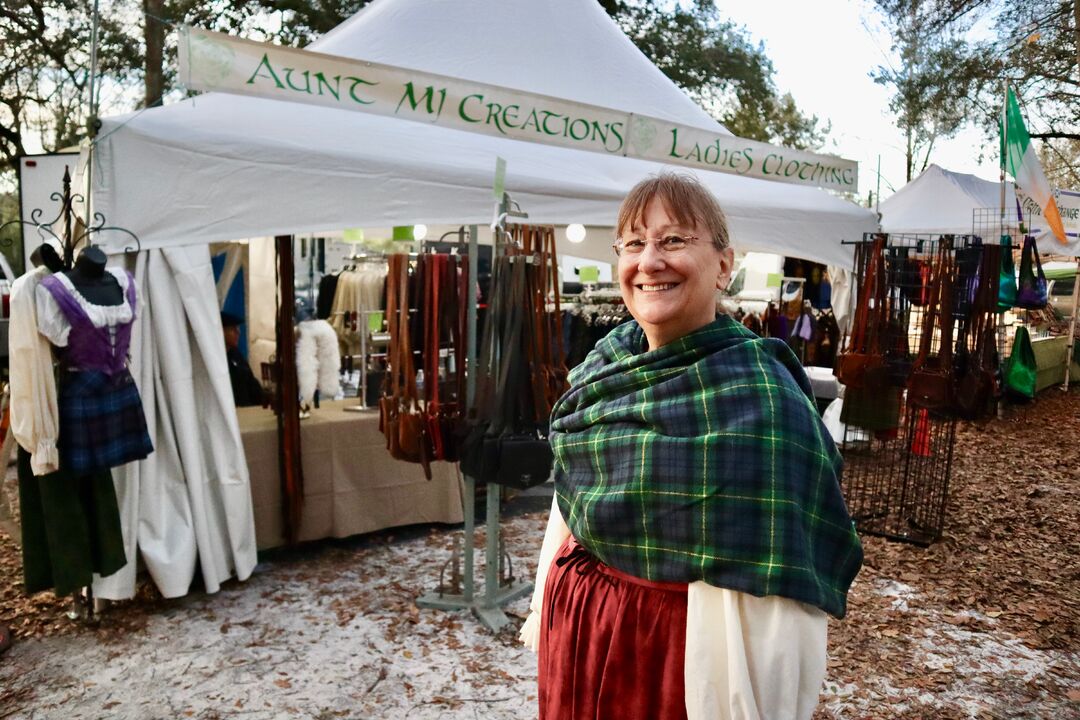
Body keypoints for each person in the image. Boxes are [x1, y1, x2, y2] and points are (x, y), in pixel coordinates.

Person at [520, 172, 863, 720]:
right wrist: (548, 605)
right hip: (579, 637)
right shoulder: (603, 368)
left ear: (724, 265)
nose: (649, 261)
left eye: (674, 240)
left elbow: (779, 610)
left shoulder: (765, 404)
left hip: (671, 667)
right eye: (634, 243)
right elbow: (569, 502)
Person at [222, 311, 264, 407]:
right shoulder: (217, 360)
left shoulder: (236, 355)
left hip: (248, 409)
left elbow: (251, 383)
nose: (238, 333)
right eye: (233, 329)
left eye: (238, 329)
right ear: (223, 332)